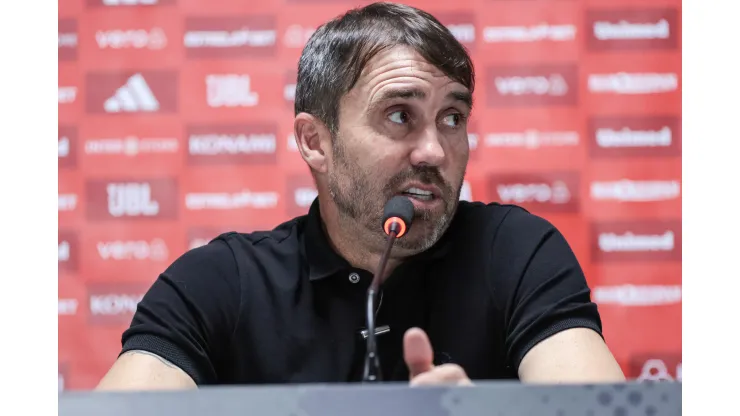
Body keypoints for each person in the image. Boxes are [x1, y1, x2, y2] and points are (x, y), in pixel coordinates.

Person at [96, 2, 625, 390]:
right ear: (315, 141)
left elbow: (589, 403)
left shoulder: (515, 251)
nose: (435, 151)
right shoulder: (220, 282)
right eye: (400, 116)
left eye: (453, 118)